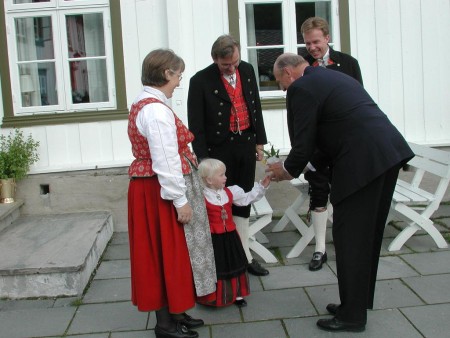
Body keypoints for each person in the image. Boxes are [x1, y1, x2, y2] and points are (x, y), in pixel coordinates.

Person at [267, 53, 414, 332]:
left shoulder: (301, 87)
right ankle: (354, 305)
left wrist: (286, 170)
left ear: (288, 73)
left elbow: (304, 140)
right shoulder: (331, 77)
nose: (282, 89)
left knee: (351, 237)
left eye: (280, 82)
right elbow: (330, 134)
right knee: (366, 236)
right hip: (386, 154)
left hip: (363, 163)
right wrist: (303, 165)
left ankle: (352, 317)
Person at [127, 49, 217, 338]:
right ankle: (165, 325)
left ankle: (176, 311)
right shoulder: (154, 111)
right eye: (178, 74)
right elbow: (164, 159)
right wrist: (180, 201)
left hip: (152, 187)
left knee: (173, 252)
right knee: (164, 253)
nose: (179, 81)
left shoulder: (148, 103)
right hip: (158, 190)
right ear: (167, 73)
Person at [187, 34, 269, 276]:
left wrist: (259, 140)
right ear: (215, 59)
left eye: (234, 62)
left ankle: (244, 256)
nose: (231, 68)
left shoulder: (247, 70)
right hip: (218, 150)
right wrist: (203, 160)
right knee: (219, 202)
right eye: (225, 65)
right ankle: (224, 260)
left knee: (241, 199)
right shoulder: (200, 80)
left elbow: (255, 106)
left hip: (245, 142)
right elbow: (196, 124)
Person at [300, 16, 364, 271]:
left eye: (316, 41)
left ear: (327, 37)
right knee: (318, 193)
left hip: (345, 142)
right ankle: (319, 249)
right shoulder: (304, 65)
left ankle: (348, 246)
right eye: (307, 43)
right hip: (317, 143)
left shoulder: (348, 64)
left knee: (346, 194)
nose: (312, 47)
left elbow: (359, 100)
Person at [196, 158, 271, 308]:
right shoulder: (201, 196)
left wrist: (261, 187)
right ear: (209, 180)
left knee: (235, 262)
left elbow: (247, 198)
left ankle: (237, 294)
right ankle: (214, 296)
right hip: (213, 238)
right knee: (217, 266)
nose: (225, 177)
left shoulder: (229, 192)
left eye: (224, 174)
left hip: (230, 236)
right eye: (221, 175)